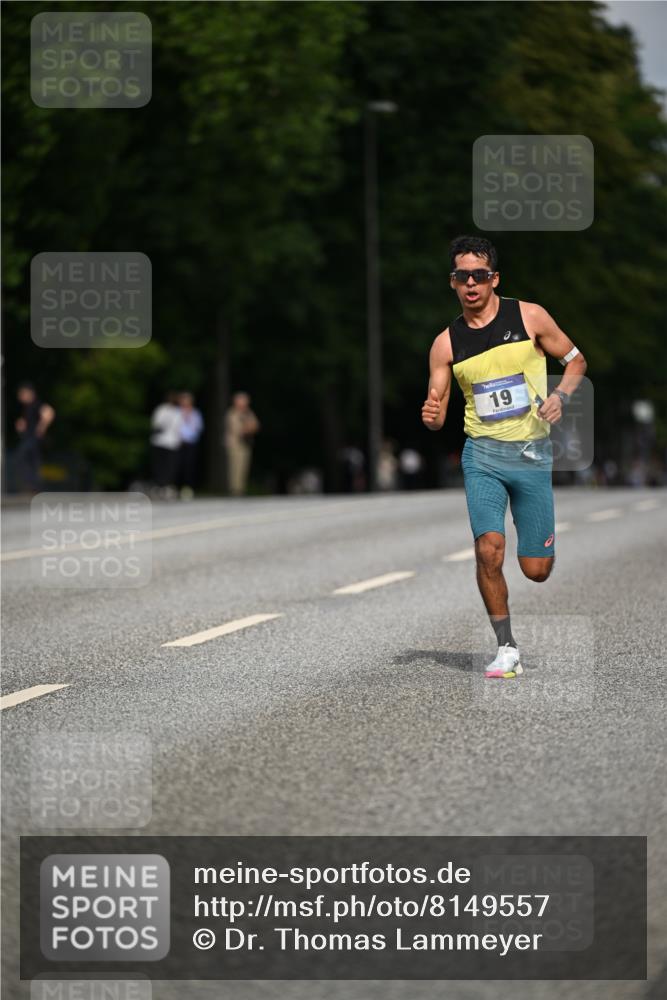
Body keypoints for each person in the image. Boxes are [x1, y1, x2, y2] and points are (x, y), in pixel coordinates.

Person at [422, 235, 587, 678]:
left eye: (479, 275)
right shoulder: (445, 345)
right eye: (462, 276)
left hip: (531, 455)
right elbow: (437, 412)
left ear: (494, 278)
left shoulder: (529, 316)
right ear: (452, 282)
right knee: (488, 550)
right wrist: (433, 416)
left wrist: (561, 396)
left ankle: (537, 547)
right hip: (482, 456)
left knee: (536, 570)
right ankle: (506, 646)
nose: (471, 284)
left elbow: (576, 361)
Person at [14, 383, 55, 493]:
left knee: (23, 457)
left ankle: (34, 485)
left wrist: (42, 427)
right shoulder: (27, 407)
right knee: (32, 461)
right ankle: (35, 486)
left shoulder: (36, 404)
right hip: (29, 438)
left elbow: (49, 412)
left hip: (34, 439)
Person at [224, 392, 260, 496]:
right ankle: (234, 489)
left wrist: (249, 427)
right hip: (235, 444)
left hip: (246, 443)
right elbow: (238, 430)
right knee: (235, 466)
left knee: (244, 467)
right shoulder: (232, 413)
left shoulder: (248, 413)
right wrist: (248, 427)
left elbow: (256, 425)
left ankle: (241, 488)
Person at [150, 392, 182, 495]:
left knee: (169, 467)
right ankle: (159, 485)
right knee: (160, 465)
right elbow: (156, 425)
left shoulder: (177, 412)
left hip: (171, 443)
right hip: (160, 442)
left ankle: (166, 486)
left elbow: (178, 428)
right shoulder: (161, 410)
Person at [178, 392, 204, 499]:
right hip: (178, 443)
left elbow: (199, 427)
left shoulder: (195, 413)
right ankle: (176, 487)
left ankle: (188, 488)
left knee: (189, 466)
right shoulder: (177, 412)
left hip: (191, 443)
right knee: (178, 466)